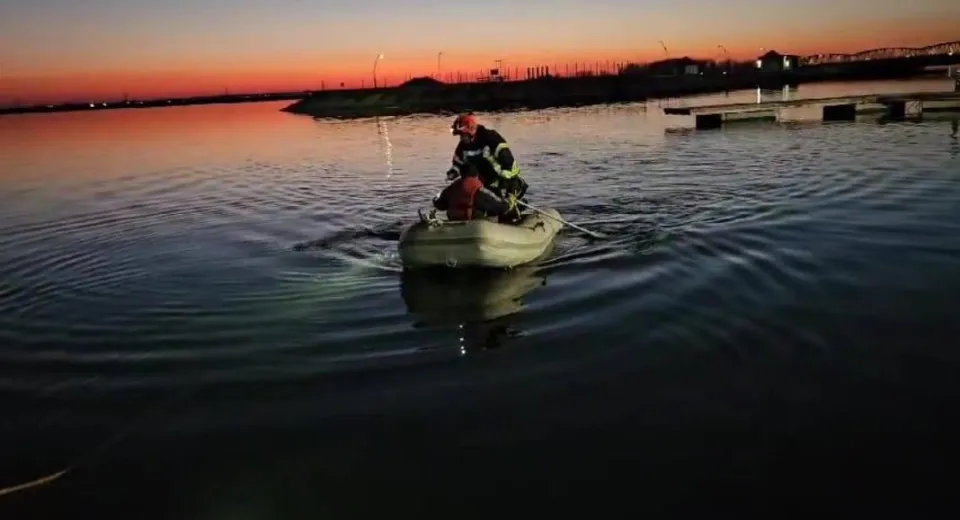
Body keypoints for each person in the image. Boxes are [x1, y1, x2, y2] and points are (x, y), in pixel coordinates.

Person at [445, 113, 529, 203]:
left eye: (463, 135)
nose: (461, 138)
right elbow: (458, 163)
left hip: (506, 181)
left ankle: (513, 203)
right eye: (460, 136)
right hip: (485, 184)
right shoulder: (463, 146)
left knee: (502, 203)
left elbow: (507, 161)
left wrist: (505, 183)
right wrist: (453, 172)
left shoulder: (490, 138)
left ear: (471, 130)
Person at [433, 163, 521, 223]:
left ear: (462, 174)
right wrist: (509, 201)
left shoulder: (452, 188)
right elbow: (499, 206)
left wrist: (435, 199)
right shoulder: (478, 189)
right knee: (503, 213)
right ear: (476, 175)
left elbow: (440, 205)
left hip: (454, 221)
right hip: (472, 224)